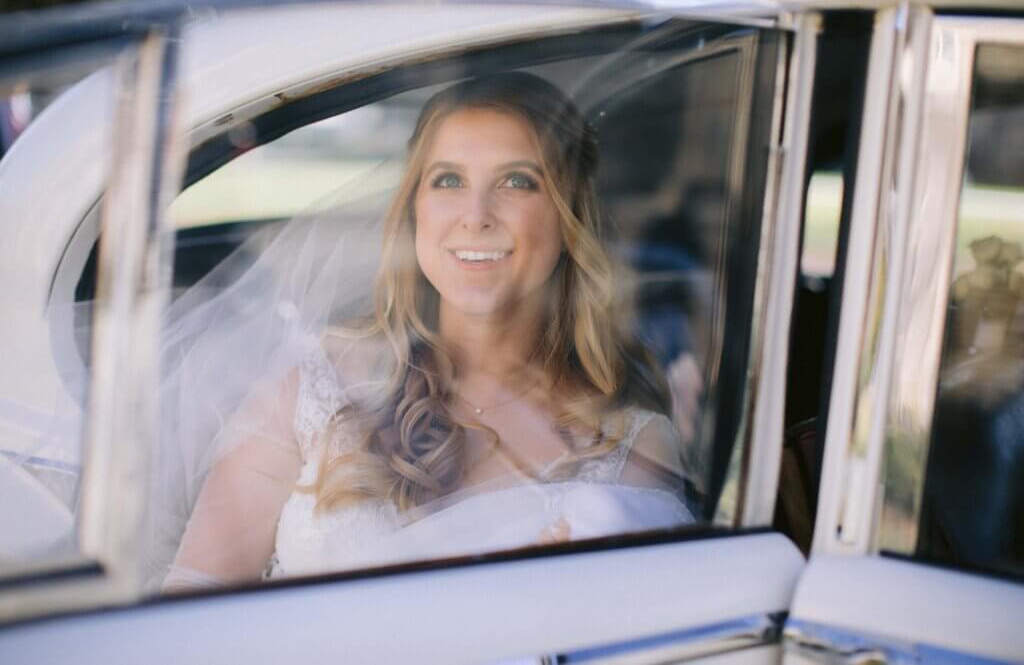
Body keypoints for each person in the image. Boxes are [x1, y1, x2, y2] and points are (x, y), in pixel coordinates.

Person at [161, 72, 694, 592]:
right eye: (449, 180)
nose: (476, 215)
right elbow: (185, 621)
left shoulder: (631, 443)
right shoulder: (313, 391)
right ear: (415, 210)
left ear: (567, 213)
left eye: (517, 181)